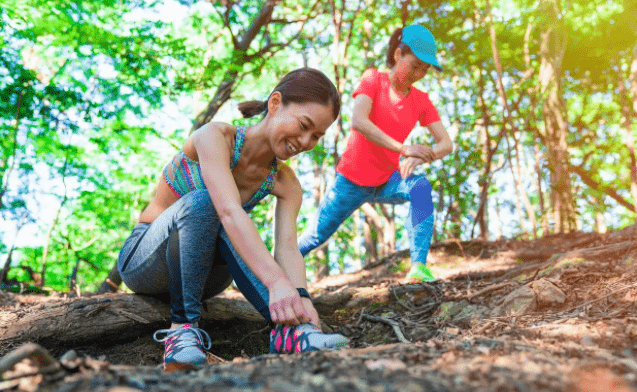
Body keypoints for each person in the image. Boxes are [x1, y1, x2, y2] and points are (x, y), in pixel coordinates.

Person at [116, 68, 349, 372]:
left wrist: (302, 297)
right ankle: (181, 332)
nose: (305, 141)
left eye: (316, 135)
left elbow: (289, 248)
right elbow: (229, 211)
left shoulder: (286, 183)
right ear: (275, 102)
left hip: (209, 276)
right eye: (304, 125)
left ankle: (291, 332)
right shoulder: (215, 137)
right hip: (145, 261)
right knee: (205, 202)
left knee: (230, 227)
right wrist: (276, 281)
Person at [298, 24, 454, 281]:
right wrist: (405, 148)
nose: (418, 74)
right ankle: (267, 272)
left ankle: (418, 267)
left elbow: (446, 143)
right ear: (398, 55)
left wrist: (421, 155)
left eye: (424, 70)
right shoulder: (373, 80)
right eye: (414, 65)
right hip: (349, 182)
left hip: (387, 182)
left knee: (420, 187)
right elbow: (358, 120)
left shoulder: (421, 100)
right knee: (313, 236)